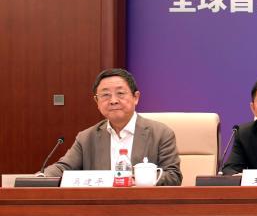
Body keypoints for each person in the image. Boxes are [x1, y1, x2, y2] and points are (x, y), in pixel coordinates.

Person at [44, 68, 182, 185]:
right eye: (105, 95)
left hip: (143, 205)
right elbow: (63, 168)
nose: (113, 101)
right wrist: (40, 178)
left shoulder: (161, 133)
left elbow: (173, 176)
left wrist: (137, 179)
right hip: (100, 205)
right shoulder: (86, 138)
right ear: (97, 101)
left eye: (120, 93)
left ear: (136, 97)